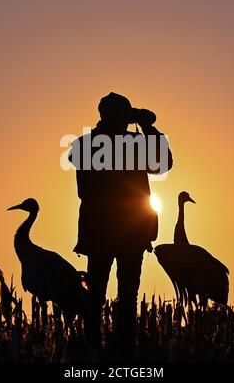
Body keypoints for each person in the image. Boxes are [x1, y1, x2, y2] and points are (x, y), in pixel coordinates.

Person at [69, 92, 173, 359]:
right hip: (129, 233)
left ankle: (96, 347)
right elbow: (164, 162)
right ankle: (123, 351)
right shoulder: (133, 144)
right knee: (126, 296)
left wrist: (141, 126)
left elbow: (163, 164)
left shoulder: (85, 144)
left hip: (102, 232)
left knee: (97, 294)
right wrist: (146, 126)